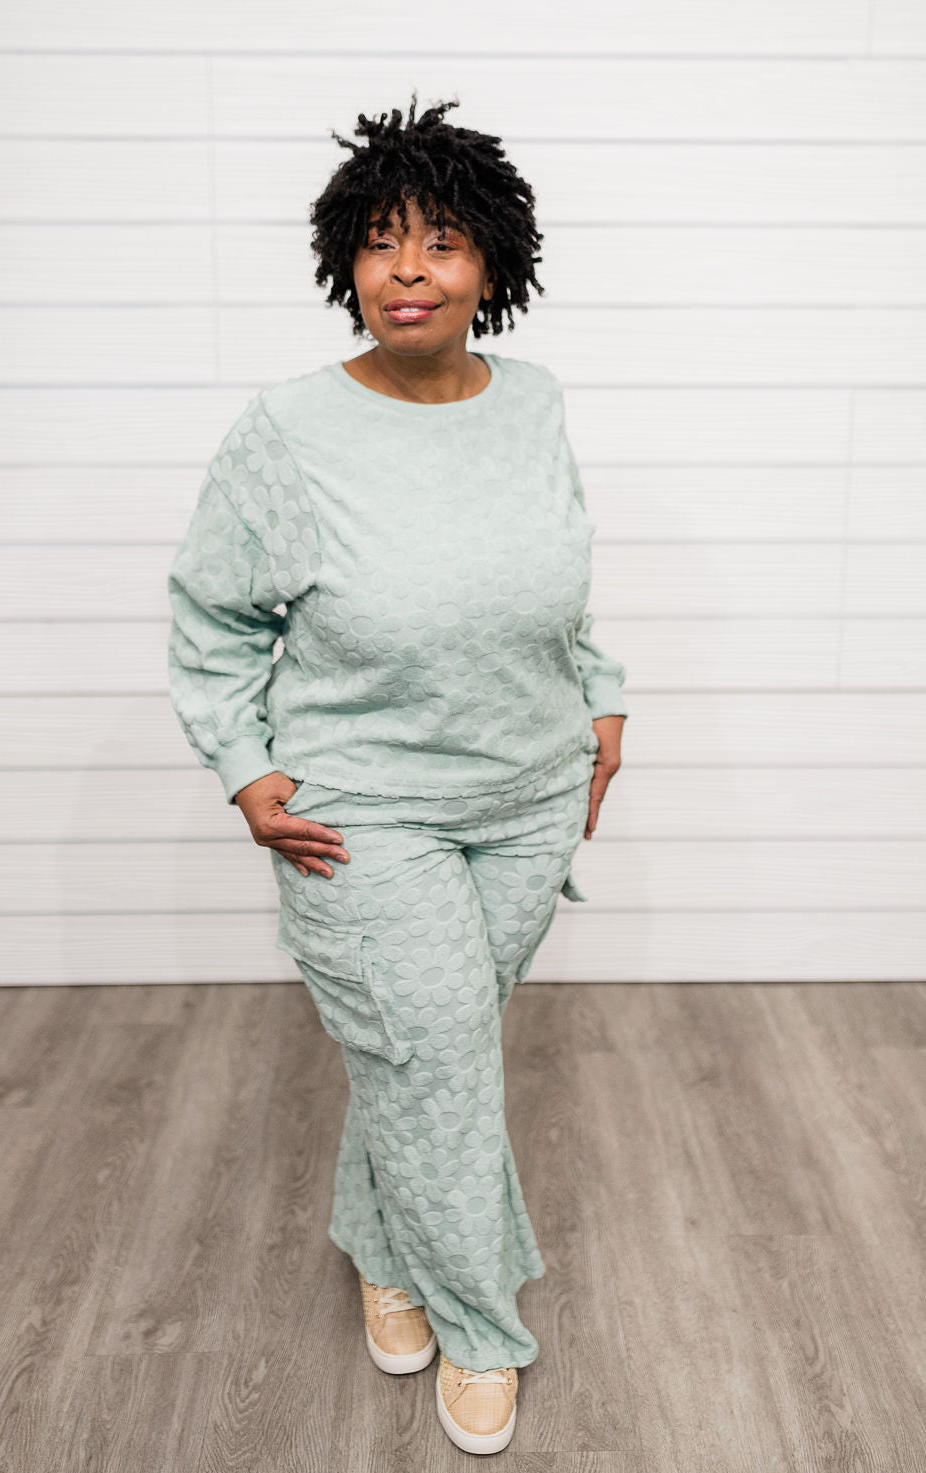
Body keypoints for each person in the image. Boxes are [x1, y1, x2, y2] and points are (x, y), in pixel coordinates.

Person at [166, 94, 627, 1456]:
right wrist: (244, 765)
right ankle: (484, 1327)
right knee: (438, 1063)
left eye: (439, 240)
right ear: (344, 263)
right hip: (362, 811)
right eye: (379, 240)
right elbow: (212, 614)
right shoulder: (288, 431)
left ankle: (382, 1245)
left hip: (530, 793)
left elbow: (560, 580)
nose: (407, 270)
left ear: (492, 262)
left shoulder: (533, 402)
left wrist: (601, 699)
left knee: (430, 1059)